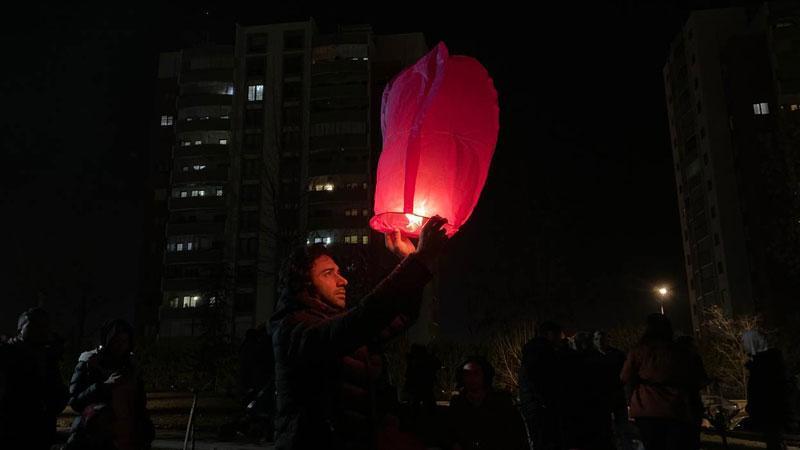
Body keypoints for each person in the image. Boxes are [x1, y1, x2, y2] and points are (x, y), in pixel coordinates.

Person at [270, 216, 449, 449]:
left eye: (339, 272)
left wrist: (408, 259)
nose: (343, 281)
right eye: (328, 273)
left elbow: (399, 317)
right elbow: (360, 321)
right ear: (305, 284)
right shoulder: (293, 329)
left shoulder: (338, 326)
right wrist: (417, 261)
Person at [620, 314, 706, 450]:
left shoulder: (639, 351)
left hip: (646, 408)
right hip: (675, 408)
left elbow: (625, 377)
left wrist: (630, 398)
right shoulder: (679, 351)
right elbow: (696, 378)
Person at [66, 319, 154, 450]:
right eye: (116, 341)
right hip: (95, 437)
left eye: (124, 341)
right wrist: (104, 386)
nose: (120, 346)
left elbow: (139, 405)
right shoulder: (89, 363)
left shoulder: (131, 368)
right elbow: (75, 402)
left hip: (127, 437)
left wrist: (145, 429)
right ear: (107, 340)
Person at [0, 307, 68, 449]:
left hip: (41, 430)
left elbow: (58, 391)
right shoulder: (7, 353)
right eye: (35, 324)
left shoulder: (47, 357)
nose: (41, 330)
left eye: (44, 325)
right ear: (20, 329)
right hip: (12, 429)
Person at [518, 321, 581, 450]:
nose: (561, 339)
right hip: (544, 412)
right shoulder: (543, 352)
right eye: (559, 336)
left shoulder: (533, 352)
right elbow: (547, 382)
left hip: (536, 409)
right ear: (550, 334)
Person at [447, 357, 527, 450]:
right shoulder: (457, 404)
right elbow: (449, 433)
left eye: (476, 373)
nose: (471, 378)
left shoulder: (501, 402)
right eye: (467, 374)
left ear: (485, 375)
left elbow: (517, 436)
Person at [742, 330, 791, 450]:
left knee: (774, 440)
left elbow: (758, 392)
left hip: (770, 412)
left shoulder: (762, 367)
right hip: (774, 412)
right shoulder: (772, 366)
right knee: (775, 440)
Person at [404, 343, 440, 420]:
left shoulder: (414, 361)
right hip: (423, 387)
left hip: (420, 387)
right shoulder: (423, 360)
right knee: (426, 406)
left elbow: (408, 374)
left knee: (417, 407)